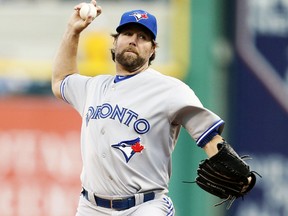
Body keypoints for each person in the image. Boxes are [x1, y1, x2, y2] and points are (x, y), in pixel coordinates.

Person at [51, 1, 230, 215]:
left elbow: (209, 135)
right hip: (91, 207)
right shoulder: (94, 87)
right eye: (127, 33)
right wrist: (73, 30)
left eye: (143, 37)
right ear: (116, 41)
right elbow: (61, 80)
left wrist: (240, 175)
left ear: (153, 49)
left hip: (144, 206)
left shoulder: (169, 90)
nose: (133, 40)